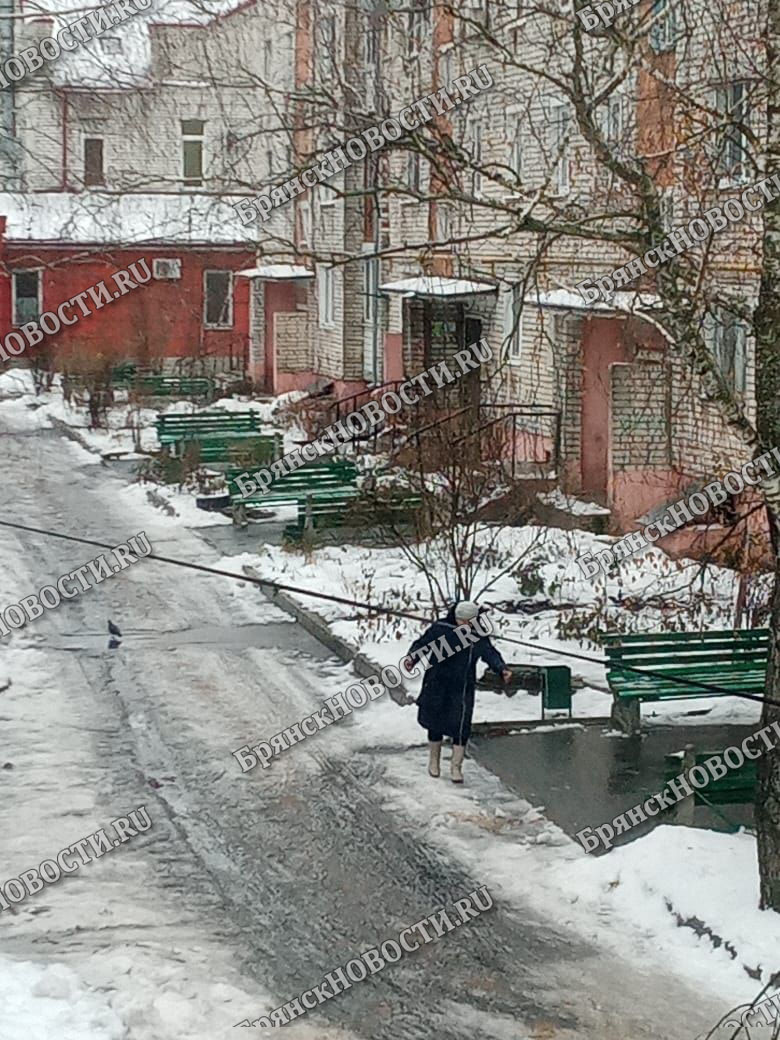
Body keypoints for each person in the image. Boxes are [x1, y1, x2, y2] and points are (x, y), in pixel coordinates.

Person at [404, 601, 511, 784]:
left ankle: (456, 766)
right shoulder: (440, 629)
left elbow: (489, 653)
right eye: (462, 621)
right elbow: (422, 644)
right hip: (437, 681)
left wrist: (501, 668)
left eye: (469, 622)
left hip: (462, 686)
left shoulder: (478, 635)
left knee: (461, 725)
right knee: (435, 721)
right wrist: (412, 658)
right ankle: (434, 761)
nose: (465, 625)